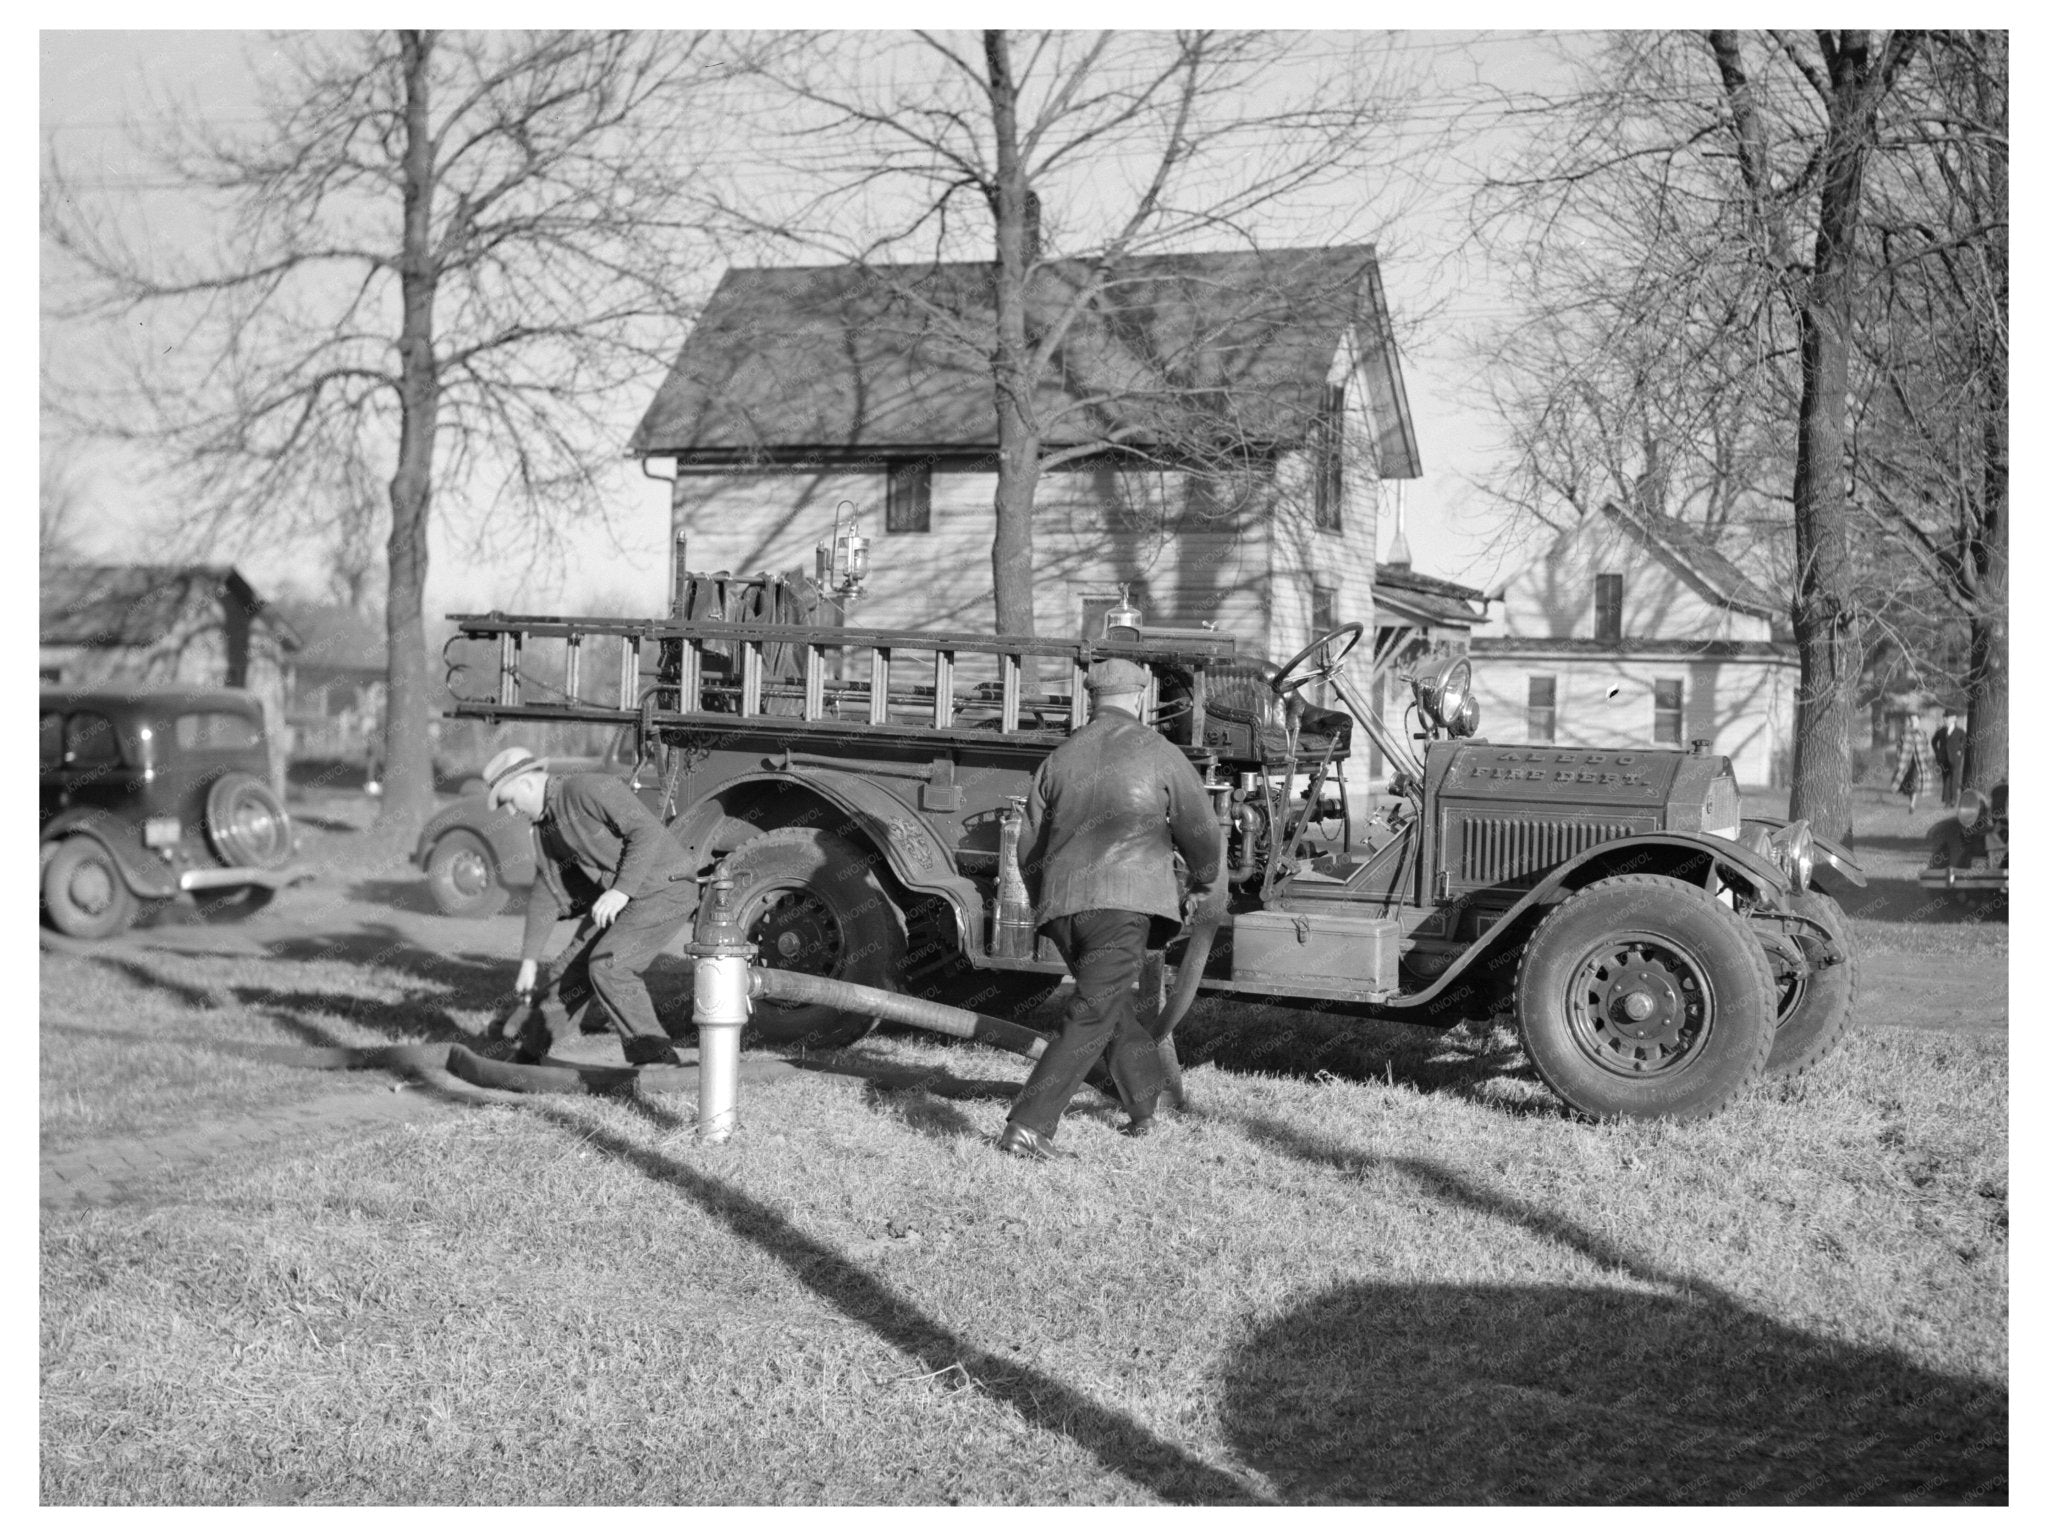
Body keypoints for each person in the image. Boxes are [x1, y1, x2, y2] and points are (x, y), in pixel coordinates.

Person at [996, 657, 1225, 1161]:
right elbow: (1202, 833)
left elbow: (1028, 847)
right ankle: (1029, 1127)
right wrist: (1204, 884)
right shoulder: (1160, 753)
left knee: (1112, 1006)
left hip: (1063, 907)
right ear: (1140, 698)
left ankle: (1147, 1105)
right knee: (1093, 1012)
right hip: (1124, 904)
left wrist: (1049, 903)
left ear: (1092, 700)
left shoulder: (1059, 758)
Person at [482, 746, 696, 1068]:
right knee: (565, 972)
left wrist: (621, 891)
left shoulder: (586, 788)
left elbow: (645, 831)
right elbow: (545, 893)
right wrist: (528, 961)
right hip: (625, 899)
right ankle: (528, 1057)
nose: (512, 812)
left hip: (667, 888)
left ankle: (658, 1059)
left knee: (610, 965)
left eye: (510, 801)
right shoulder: (545, 826)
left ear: (526, 784)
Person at [1892, 714, 1933, 815]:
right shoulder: (1905, 732)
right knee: (1909, 784)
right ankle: (1911, 801)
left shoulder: (1922, 733)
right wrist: (1898, 757)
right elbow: (1899, 745)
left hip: (1918, 763)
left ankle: (1912, 805)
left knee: (1915, 783)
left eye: (1915, 720)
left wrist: (1927, 760)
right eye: (1911, 720)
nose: (1913, 722)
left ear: (1918, 721)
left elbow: (1926, 747)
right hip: (1906, 762)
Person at [1931, 709, 1968, 808]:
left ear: (1954, 719)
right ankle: (1947, 801)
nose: (1945, 719)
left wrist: (1960, 751)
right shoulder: (1941, 731)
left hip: (1955, 759)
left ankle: (1954, 799)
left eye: (1947, 718)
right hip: (1943, 759)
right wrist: (1937, 753)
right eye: (1945, 717)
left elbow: (1964, 742)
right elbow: (1933, 741)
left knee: (1955, 779)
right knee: (1946, 779)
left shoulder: (1960, 731)